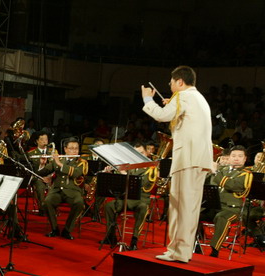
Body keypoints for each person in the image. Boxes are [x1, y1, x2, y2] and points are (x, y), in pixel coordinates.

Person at [142, 65, 212, 263]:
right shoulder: (197, 97)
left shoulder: (183, 96)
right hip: (197, 159)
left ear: (180, 81)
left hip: (188, 159)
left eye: (171, 81)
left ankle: (178, 251)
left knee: (181, 205)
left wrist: (148, 99)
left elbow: (162, 116)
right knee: (188, 206)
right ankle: (181, 250)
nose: (169, 84)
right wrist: (171, 104)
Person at [103, 142, 158, 250]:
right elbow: (118, 182)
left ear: (146, 153)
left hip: (141, 200)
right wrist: (109, 173)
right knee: (109, 206)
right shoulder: (128, 165)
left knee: (143, 208)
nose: (138, 156)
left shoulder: (151, 168)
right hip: (126, 198)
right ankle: (111, 236)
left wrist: (124, 173)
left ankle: (134, 240)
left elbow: (141, 184)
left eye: (141, 153)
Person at [200, 145, 252, 257]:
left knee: (222, 218)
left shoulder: (246, 174)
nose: (236, 158)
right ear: (229, 157)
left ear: (245, 159)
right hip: (213, 206)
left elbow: (233, 185)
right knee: (193, 215)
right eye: (233, 156)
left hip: (231, 209)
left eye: (240, 156)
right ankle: (196, 245)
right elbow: (204, 183)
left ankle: (215, 249)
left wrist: (215, 172)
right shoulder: (222, 170)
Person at [38, 137, 88, 239]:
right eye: (71, 148)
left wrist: (59, 164)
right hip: (57, 190)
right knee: (47, 202)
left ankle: (67, 230)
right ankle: (54, 228)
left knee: (79, 203)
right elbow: (43, 172)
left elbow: (76, 173)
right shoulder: (59, 159)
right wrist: (42, 164)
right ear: (65, 149)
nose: (74, 151)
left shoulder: (82, 162)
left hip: (73, 191)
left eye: (76, 148)